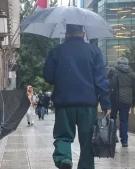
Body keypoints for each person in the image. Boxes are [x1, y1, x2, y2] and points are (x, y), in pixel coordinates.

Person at [43, 24, 111, 169]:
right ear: (83, 33)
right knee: (87, 142)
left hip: (64, 103)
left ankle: (64, 159)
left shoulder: (56, 51)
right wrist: (106, 104)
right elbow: (101, 80)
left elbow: (48, 77)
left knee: (63, 136)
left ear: (67, 32)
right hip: (88, 105)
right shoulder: (94, 51)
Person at [107, 57, 135, 147]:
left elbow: (106, 82)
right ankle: (124, 141)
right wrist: (134, 101)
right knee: (124, 120)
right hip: (127, 100)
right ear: (127, 64)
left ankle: (113, 136)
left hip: (114, 98)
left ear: (117, 63)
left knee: (112, 119)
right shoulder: (132, 74)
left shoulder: (112, 71)